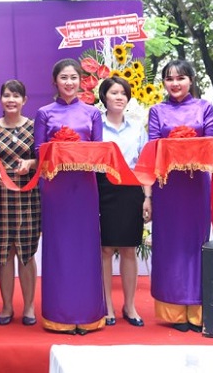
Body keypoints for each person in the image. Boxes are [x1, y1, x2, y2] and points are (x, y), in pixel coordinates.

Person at [34, 58, 104, 335]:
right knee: (59, 248)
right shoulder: (44, 113)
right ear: (55, 81)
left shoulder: (92, 113)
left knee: (85, 247)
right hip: (56, 188)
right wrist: (61, 151)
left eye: (74, 77)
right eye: (64, 77)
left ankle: (87, 315)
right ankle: (59, 315)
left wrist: (76, 152)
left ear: (81, 81)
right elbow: (39, 150)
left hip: (84, 187)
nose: (69, 82)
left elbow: (98, 150)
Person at [148, 59, 213, 333]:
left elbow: (210, 144)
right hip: (168, 186)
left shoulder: (205, 107)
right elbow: (153, 147)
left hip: (196, 185)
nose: (175, 83)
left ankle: (198, 309)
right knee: (170, 245)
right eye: (169, 78)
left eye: (180, 78)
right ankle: (174, 310)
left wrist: (188, 152)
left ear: (191, 80)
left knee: (196, 244)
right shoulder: (157, 111)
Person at [97, 77, 151, 328]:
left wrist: (147, 197)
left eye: (123, 93)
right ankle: (107, 304)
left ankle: (129, 306)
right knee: (106, 249)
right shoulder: (96, 126)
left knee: (129, 248)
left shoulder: (137, 128)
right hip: (104, 188)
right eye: (114, 92)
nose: (119, 97)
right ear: (104, 97)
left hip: (131, 189)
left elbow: (145, 166)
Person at [0, 79, 40, 327]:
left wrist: (30, 163)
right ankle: (7, 306)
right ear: (0, 100)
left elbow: (43, 157)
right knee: (4, 254)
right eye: (7, 96)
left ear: (24, 100)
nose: (11, 100)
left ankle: (29, 306)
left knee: (26, 253)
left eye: (16, 96)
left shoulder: (34, 126)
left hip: (27, 197)